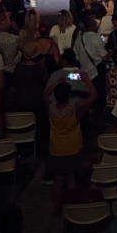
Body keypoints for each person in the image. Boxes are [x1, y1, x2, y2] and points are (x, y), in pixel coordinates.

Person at [44, 73, 98, 214]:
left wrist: (57, 83)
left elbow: (45, 94)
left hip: (56, 150)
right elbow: (93, 96)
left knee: (57, 182)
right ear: (69, 95)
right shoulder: (75, 109)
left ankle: (57, 210)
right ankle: (72, 210)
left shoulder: (51, 109)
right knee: (72, 180)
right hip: (73, 149)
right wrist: (86, 79)